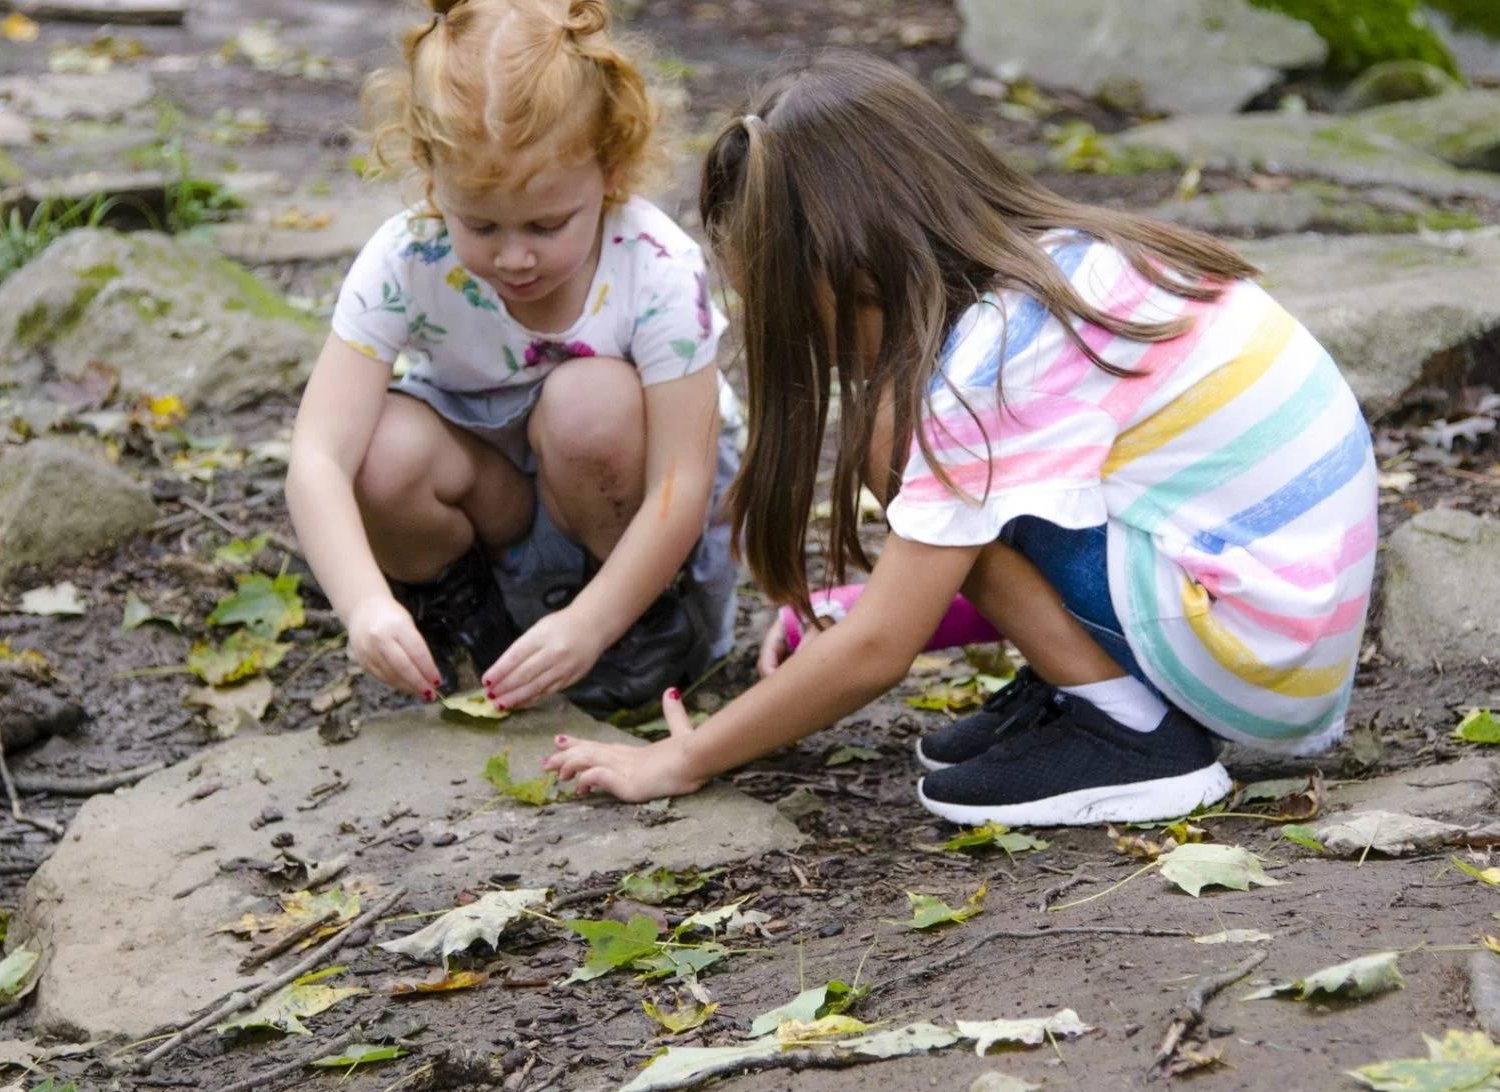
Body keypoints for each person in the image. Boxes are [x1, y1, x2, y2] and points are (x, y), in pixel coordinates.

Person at [545, 50, 1376, 825]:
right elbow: (1010, 543)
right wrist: (843, 607)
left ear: (843, 270)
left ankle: (1129, 737)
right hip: (1278, 628)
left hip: (1256, 645)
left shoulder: (993, 364)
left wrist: (683, 760)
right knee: (909, 440)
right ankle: (1091, 687)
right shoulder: (1059, 266)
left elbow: (880, 652)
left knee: (898, 438)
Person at [286, 0, 738, 715]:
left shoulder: (654, 263)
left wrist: (593, 623)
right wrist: (364, 604)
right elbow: (317, 457)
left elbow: (680, 484)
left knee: (588, 400)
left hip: (625, 518)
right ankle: (476, 623)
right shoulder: (407, 259)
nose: (515, 259)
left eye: (547, 225)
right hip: (495, 501)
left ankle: (637, 629)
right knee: (382, 452)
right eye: (483, 226)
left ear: (612, 171)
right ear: (432, 179)